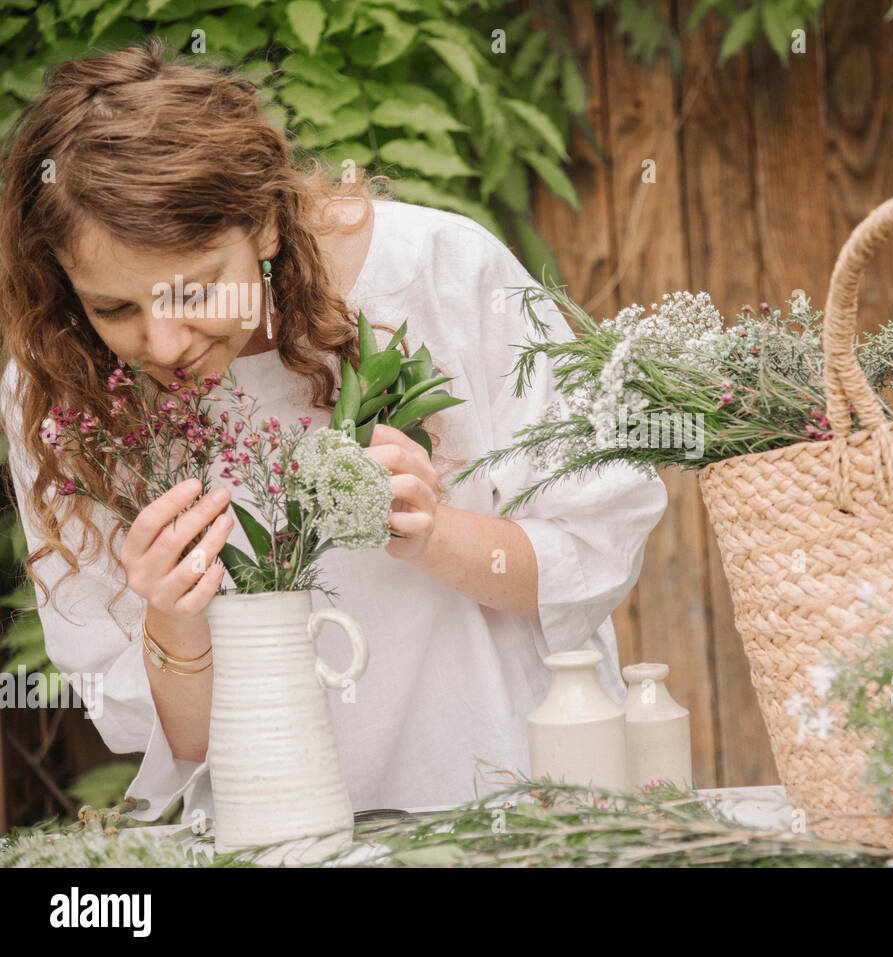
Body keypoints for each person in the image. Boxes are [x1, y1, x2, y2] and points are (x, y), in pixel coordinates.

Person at [0, 38, 667, 824]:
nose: (165, 343)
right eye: (116, 308)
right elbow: (171, 743)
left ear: (263, 228)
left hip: (512, 806)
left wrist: (434, 532)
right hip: (271, 830)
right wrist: (173, 617)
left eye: (197, 290)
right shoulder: (61, 392)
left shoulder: (440, 270)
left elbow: (597, 549)